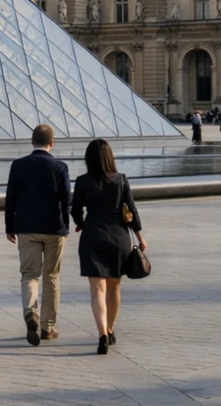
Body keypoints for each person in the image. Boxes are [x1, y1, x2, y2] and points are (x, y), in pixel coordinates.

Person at [71, 139, 146, 356]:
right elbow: (131, 210)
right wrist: (140, 237)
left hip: (93, 235)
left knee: (97, 290)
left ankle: (102, 333)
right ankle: (111, 329)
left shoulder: (83, 181)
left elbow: (75, 210)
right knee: (114, 288)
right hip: (119, 238)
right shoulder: (121, 179)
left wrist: (82, 224)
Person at [4, 123, 70, 346]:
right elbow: (65, 200)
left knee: (30, 275)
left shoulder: (18, 165)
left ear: (32, 142)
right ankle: (47, 327)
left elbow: (10, 198)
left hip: (27, 228)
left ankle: (31, 314)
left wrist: (9, 227)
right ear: (52, 143)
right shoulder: (60, 167)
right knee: (51, 277)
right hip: (54, 229)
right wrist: (66, 226)